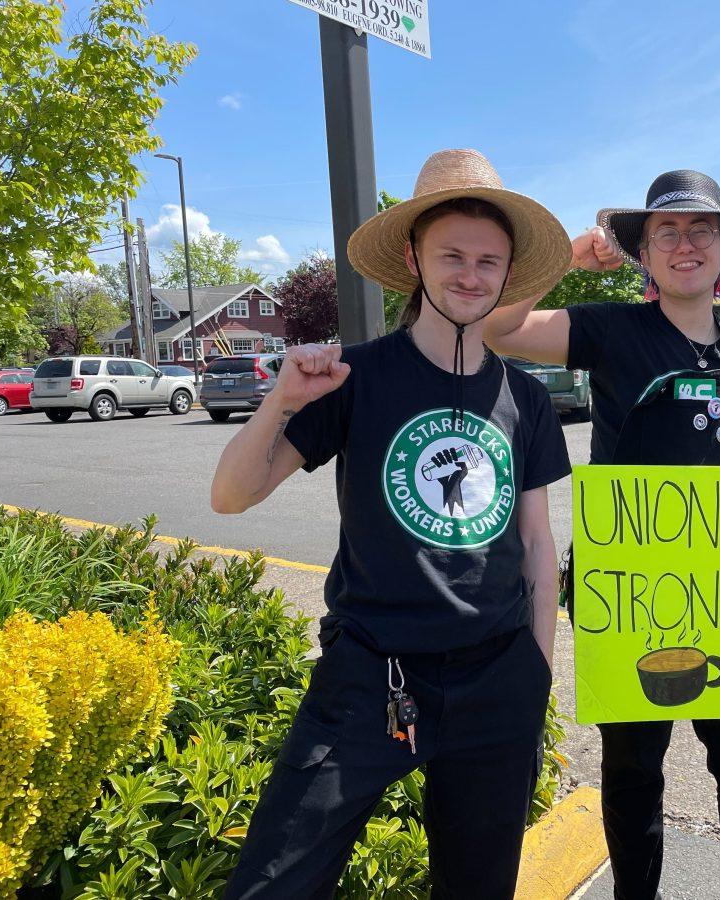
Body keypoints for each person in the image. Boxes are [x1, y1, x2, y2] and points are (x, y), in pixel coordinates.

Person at [212, 148, 573, 899]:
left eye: (487, 261)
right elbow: (231, 498)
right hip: (370, 671)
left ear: (507, 275)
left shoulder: (527, 402)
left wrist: (536, 676)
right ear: (414, 257)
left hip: (497, 677)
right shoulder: (355, 376)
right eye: (452, 255)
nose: (469, 275)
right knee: (273, 881)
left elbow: (538, 546)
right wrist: (280, 402)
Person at [485, 169, 720, 900]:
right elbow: (498, 328)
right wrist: (565, 256)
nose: (685, 244)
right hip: (623, 594)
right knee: (630, 774)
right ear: (645, 253)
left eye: (701, 231)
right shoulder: (608, 329)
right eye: (667, 232)